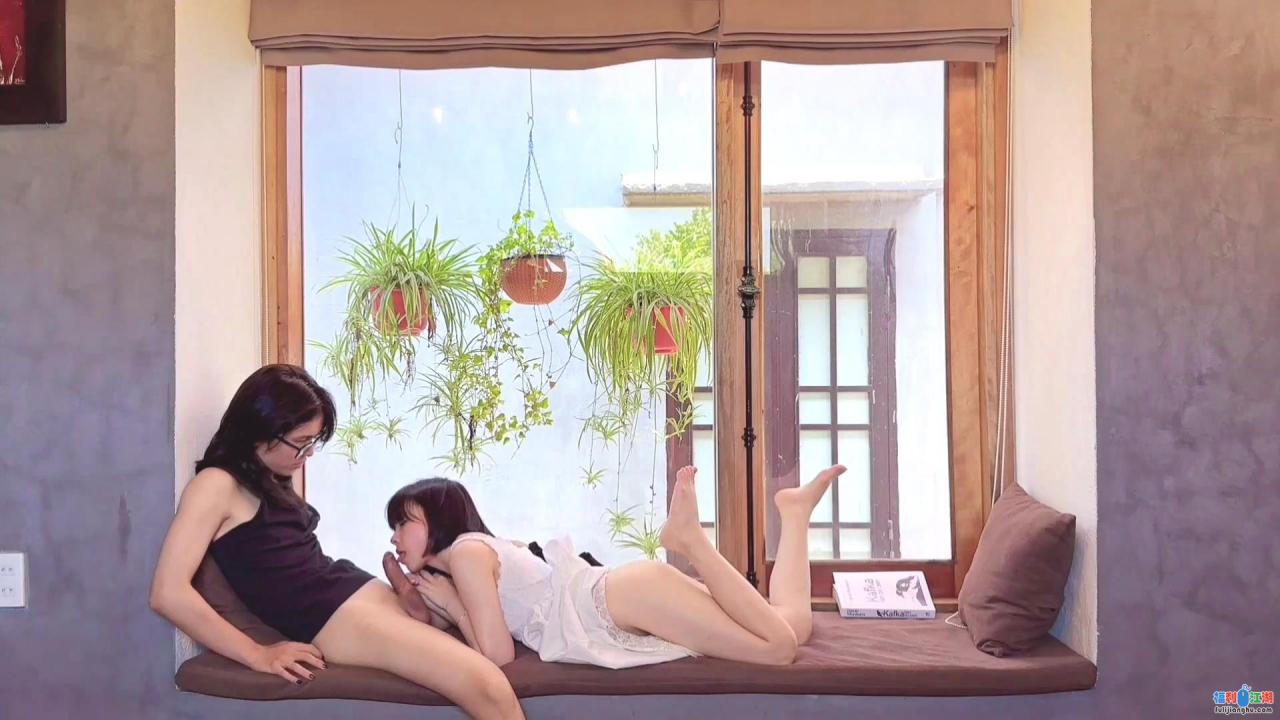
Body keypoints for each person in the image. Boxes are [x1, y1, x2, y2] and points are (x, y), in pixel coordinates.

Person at [149, 364, 524, 720]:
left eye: (313, 442)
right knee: (487, 684)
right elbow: (168, 593)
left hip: (352, 591)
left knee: (483, 659)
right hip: (330, 617)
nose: (308, 454)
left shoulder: (269, 476)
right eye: (301, 443)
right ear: (260, 429)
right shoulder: (215, 485)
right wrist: (257, 654)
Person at [384, 464, 845, 669]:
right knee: (791, 625)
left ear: (438, 520)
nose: (395, 537)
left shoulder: (466, 553)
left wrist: (453, 606)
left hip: (622, 599)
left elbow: (497, 655)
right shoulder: (459, 567)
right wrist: (410, 590)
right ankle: (795, 513)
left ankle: (689, 540)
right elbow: (439, 626)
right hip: (630, 595)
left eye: (403, 524)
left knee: (778, 648)